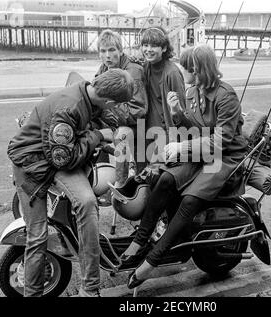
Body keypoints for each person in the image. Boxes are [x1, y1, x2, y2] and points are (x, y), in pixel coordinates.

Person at [121, 44, 249, 288]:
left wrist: (182, 149)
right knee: (166, 179)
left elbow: (220, 142)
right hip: (202, 152)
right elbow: (194, 130)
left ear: (198, 70)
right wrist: (178, 112)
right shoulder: (192, 93)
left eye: (186, 68)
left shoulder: (226, 96)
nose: (182, 71)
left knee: (190, 200)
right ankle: (140, 240)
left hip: (225, 157)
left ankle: (152, 261)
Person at [7, 69, 134, 297]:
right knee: (38, 236)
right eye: (115, 105)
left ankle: (90, 288)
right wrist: (98, 136)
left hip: (56, 157)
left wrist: (111, 132)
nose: (114, 109)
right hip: (32, 164)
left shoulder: (89, 92)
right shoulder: (69, 108)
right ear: (109, 100)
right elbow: (64, 159)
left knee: (87, 203)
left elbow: (110, 122)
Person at [94, 29, 148, 185]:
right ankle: (96, 176)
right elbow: (95, 90)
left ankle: (121, 183)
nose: (107, 55)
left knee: (121, 137)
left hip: (135, 124)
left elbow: (138, 110)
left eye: (112, 50)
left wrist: (109, 106)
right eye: (103, 51)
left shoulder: (133, 71)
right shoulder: (105, 68)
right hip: (115, 119)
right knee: (88, 129)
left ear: (120, 50)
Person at [140, 26, 186, 164]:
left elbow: (181, 110)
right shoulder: (146, 67)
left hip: (166, 132)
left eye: (153, 46)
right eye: (145, 45)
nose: (148, 49)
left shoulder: (172, 73)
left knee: (159, 172)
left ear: (164, 48)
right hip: (148, 128)